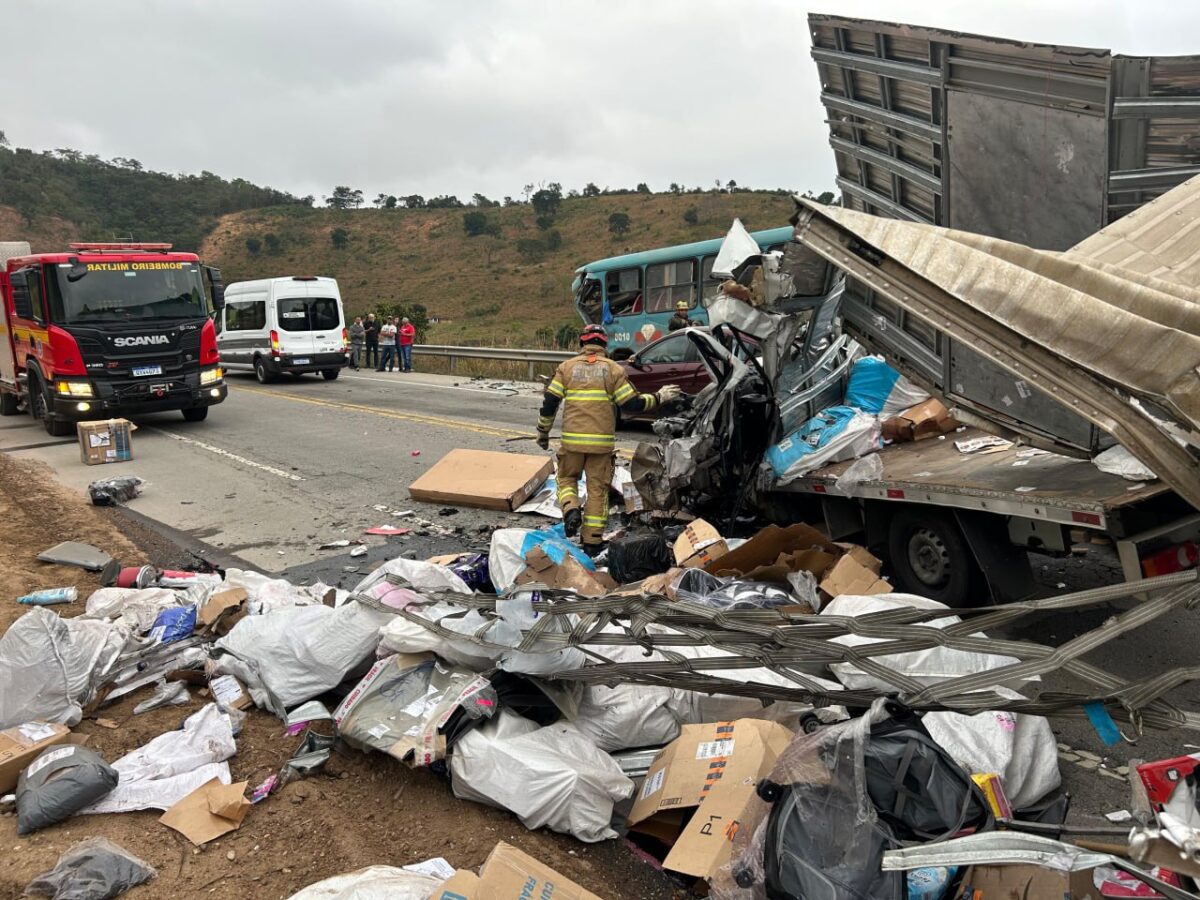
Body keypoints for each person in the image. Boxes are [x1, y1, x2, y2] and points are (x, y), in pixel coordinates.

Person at [536, 324, 681, 555]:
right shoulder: (613, 370)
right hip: (601, 446)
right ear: (604, 345)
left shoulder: (566, 368)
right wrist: (659, 397)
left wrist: (543, 432)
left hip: (572, 444)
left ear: (582, 344)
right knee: (597, 491)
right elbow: (631, 404)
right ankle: (592, 542)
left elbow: (550, 403)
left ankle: (570, 508)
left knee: (566, 479)